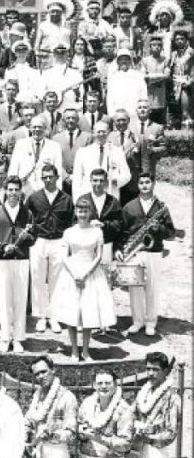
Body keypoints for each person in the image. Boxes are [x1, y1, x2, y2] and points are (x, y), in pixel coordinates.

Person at [51, 197, 117, 357]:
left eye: (85, 211)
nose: (82, 214)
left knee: (88, 312)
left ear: (90, 213)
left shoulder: (97, 231)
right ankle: (74, 350)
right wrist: (75, 275)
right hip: (71, 274)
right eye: (80, 210)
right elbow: (64, 256)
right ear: (75, 212)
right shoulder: (68, 232)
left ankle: (86, 351)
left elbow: (99, 256)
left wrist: (85, 275)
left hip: (91, 274)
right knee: (71, 313)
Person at [120, 172, 177, 338]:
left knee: (152, 287)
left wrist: (159, 229)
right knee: (134, 288)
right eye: (141, 182)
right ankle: (137, 321)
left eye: (147, 182)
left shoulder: (162, 207)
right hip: (134, 253)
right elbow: (123, 232)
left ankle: (151, 322)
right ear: (138, 185)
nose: (144, 185)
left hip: (154, 252)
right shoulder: (129, 207)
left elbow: (171, 232)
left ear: (153, 184)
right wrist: (121, 249)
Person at [0, 175, 34, 352]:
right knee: (4, 300)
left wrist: (28, 237)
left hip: (22, 260)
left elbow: (33, 238)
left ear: (21, 191)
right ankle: (5, 338)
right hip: (3, 261)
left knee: (20, 300)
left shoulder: (27, 213)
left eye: (16, 190)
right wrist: (2, 247)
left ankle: (19, 338)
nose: (13, 193)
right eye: (10, 189)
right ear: (5, 190)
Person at [25, 162, 74, 336]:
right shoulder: (34, 198)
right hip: (39, 241)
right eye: (44, 177)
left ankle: (54, 317)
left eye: (50, 177)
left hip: (59, 241)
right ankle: (41, 317)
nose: (47, 180)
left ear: (57, 177)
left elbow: (71, 223)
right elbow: (26, 219)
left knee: (57, 280)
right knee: (37, 277)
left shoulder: (66, 199)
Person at [71, 120, 130, 202]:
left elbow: (126, 174)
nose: (101, 134)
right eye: (98, 132)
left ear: (108, 132)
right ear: (93, 133)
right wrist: (77, 200)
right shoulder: (82, 152)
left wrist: (116, 180)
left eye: (104, 132)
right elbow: (77, 178)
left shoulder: (117, 151)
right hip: (88, 195)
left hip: (110, 194)